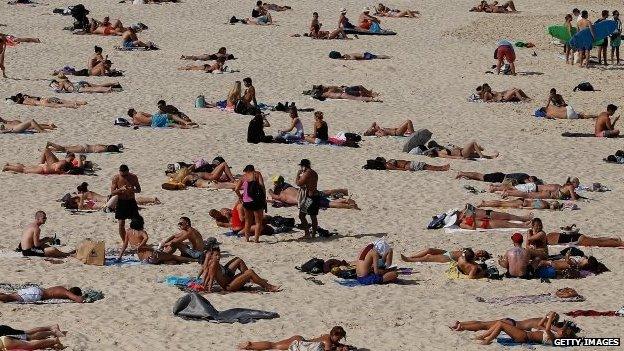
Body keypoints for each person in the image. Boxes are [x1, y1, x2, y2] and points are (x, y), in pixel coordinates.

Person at [118, 215, 194, 264]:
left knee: (168, 259)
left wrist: (120, 256)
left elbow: (124, 245)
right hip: (152, 256)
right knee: (174, 256)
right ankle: (194, 260)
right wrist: (141, 246)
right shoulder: (142, 232)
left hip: (143, 259)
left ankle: (168, 262)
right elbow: (146, 238)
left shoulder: (128, 232)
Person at [200, 247, 280, 292]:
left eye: (219, 255)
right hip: (229, 286)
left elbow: (209, 274)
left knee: (247, 271)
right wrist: (208, 289)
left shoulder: (214, 263)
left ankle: (258, 281)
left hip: (230, 281)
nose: (218, 257)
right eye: (216, 255)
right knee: (250, 272)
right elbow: (211, 276)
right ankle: (269, 287)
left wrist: (203, 286)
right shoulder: (213, 264)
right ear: (211, 256)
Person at [474, 311, 577, 345]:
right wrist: (546, 316)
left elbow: (547, 329)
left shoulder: (554, 339)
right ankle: (483, 336)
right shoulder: (554, 336)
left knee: (501, 324)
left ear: (563, 335)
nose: (561, 329)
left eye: (563, 330)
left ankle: (487, 340)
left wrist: (550, 319)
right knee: (499, 323)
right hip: (523, 334)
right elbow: (541, 325)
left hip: (524, 336)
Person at [268, 174, 357, 209]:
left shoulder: (282, 196)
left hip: (306, 201)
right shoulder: (288, 187)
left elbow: (273, 195)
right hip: (308, 193)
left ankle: (350, 206)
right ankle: (345, 200)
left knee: (329, 204)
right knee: (326, 200)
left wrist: (270, 190)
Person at [238, 326, 347, 351]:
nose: (339, 340)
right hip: (298, 343)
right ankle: (250, 345)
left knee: (274, 344)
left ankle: (251, 344)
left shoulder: (327, 337)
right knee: (274, 346)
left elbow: (334, 344)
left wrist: (341, 346)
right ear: (334, 335)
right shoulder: (327, 341)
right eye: (339, 338)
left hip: (301, 340)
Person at [234, 165, 266, 243]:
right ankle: (256, 239)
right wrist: (263, 197)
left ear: (246, 170)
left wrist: (240, 197)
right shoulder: (257, 174)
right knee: (258, 221)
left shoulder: (243, 177)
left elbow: (236, 189)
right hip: (257, 201)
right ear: (253, 169)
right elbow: (262, 186)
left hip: (246, 202)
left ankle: (247, 239)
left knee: (248, 221)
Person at [111, 164, 141, 240]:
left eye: (125, 175)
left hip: (131, 201)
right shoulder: (116, 178)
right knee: (121, 223)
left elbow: (139, 190)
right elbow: (112, 192)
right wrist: (120, 190)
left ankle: (136, 239)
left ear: (128, 171)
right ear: (119, 172)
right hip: (121, 201)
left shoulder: (133, 177)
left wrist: (132, 190)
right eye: (122, 175)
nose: (124, 177)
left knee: (136, 222)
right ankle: (124, 241)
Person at [295, 159, 320, 239]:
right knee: (313, 217)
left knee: (302, 215)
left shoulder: (307, 173)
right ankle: (313, 234)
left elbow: (299, 183)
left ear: (304, 166)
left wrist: (298, 175)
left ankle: (307, 233)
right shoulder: (314, 173)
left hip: (309, 198)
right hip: (315, 196)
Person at [3, 148, 78, 175]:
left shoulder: (63, 161)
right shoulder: (64, 162)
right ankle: (8, 167)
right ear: (69, 157)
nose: (72, 160)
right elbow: (56, 169)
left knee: (25, 168)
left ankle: (10, 165)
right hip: (43, 169)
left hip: (44, 167)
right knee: (24, 170)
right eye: (72, 159)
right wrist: (64, 173)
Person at [501, 177, 580, 200]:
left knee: (527, 195)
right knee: (528, 195)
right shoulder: (570, 187)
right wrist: (574, 196)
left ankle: (508, 192)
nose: (579, 184)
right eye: (578, 183)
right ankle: (508, 192)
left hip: (548, 193)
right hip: (548, 195)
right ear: (573, 183)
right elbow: (573, 199)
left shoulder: (566, 185)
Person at [0, 285, 84, 303]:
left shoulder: (61, 288)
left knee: (10, 295)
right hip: (37, 294)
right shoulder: (65, 292)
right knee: (9, 297)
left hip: (35, 290)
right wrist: (82, 298)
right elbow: (78, 299)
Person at [50, 74, 122, 93]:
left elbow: (59, 90)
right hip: (80, 83)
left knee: (94, 89)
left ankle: (109, 89)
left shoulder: (62, 83)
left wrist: (54, 87)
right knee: (98, 85)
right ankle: (114, 83)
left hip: (77, 88)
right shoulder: (66, 80)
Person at [401, 247, 491, 263]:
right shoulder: (471, 251)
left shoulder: (473, 257)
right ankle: (411, 256)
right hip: (447, 252)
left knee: (428, 257)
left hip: (448, 258)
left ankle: (409, 260)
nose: (479, 252)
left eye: (481, 253)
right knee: (429, 250)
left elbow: (464, 259)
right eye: (481, 250)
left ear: (481, 257)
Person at [127, 108, 197, 128]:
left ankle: (188, 127)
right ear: (133, 112)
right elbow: (150, 115)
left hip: (153, 124)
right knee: (170, 116)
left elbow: (144, 125)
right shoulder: (139, 113)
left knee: (171, 124)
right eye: (134, 110)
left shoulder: (134, 122)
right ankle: (186, 122)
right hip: (154, 119)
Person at [546, 229, 623, 247]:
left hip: (577, 240)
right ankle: (613, 239)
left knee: (600, 244)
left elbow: (564, 244)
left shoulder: (549, 241)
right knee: (596, 240)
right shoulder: (550, 234)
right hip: (578, 236)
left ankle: (620, 243)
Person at [426, 141, 499, 159]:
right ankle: (482, 156)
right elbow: (449, 157)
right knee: (473, 143)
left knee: (476, 152)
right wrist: (459, 158)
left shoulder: (441, 149)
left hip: (462, 151)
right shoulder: (440, 153)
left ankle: (492, 157)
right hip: (462, 154)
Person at [8, 93, 86, 108]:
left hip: (41, 103)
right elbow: (36, 97)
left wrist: (20, 103)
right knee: (61, 100)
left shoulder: (23, 102)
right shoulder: (26, 96)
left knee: (58, 105)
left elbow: (33, 104)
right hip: (44, 98)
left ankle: (72, 105)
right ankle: (80, 102)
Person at [0, 324, 66, 341]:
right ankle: (51, 327)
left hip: (3, 332)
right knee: (26, 332)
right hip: (2, 328)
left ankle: (53, 332)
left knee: (29, 337)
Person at [456, 171, 535, 184]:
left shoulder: (525, 175)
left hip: (500, 176)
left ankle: (464, 174)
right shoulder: (525, 177)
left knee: (480, 177)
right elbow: (528, 183)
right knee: (481, 177)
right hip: (499, 177)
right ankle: (462, 173)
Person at [478, 198, 563, 210]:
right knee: (501, 204)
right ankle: (484, 204)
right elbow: (532, 207)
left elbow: (533, 201)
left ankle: (486, 203)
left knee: (502, 202)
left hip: (523, 200)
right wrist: (522, 208)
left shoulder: (545, 201)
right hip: (523, 203)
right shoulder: (544, 205)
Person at [380, 158, 450, 172]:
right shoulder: (388, 165)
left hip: (409, 164)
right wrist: (405, 170)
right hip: (408, 166)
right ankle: (441, 168)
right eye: (381, 158)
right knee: (426, 166)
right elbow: (396, 168)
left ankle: (441, 167)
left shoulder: (388, 161)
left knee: (425, 166)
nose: (383, 158)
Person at [0, 336, 65, 350]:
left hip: (4, 343)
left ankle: (54, 340)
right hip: (3, 340)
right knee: (30, 345)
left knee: (30, 345)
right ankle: (52, 343)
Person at [46, 141, 123, 153]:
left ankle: (50, 149)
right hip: (83, 149)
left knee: (65, 148)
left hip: (84, 145)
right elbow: (96, 151)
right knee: (64, 149)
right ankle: (51, 144)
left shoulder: (105, 145)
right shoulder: (104, 149)